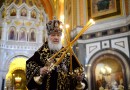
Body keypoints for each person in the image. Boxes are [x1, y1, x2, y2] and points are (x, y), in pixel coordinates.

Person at [26, 18, 88, 90]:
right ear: (48, 36)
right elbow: (28, 66)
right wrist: (39, 70)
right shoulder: (40, 53)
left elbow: (78, 72)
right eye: (53, 35)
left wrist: (79, 78)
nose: (56, 38)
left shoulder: (68, 54)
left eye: (58, 35)